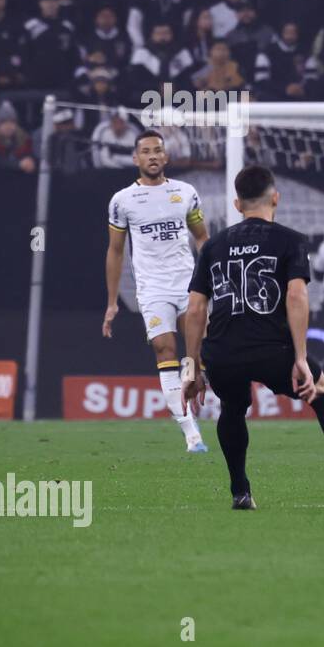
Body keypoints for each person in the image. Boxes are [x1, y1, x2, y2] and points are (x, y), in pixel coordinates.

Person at [181, 165, 324, 511]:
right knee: (322, 395)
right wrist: (300, 358)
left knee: (233, 407)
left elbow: (195, 308)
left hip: (223, 350)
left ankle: (240, 491)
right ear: (275, 198)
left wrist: (192, 366)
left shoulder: (213, 246)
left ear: (237, 204)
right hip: (272, 348)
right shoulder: (290, 240)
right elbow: (296, 297)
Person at [103, 130, 210, 452]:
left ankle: (197, 379)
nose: (152, 156)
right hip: (152, 289)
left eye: (157, 151)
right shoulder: (122, 201)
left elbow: (202, 238)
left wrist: (212, 275)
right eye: (145, 151)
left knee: (197, 352)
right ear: (136, 159)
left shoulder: (186, 193)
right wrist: (111, 303)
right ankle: (191, 433)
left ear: (166, 157)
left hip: (188, 284)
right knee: (165, 349)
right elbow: (115, 251)